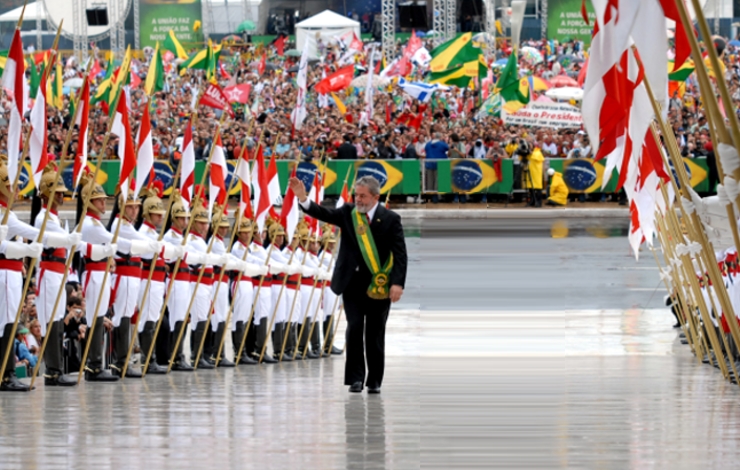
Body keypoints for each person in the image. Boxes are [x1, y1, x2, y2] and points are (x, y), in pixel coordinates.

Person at [289, 175, 408, 394]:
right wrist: (303, 198)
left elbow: (400, 254)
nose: (358, 199)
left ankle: (374, 381)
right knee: (354, 329)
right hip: (351, 284)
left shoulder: (391, 218)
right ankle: (355, 378)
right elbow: (323, 213)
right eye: (356, 195)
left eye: (363, 196)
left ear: (375, 197)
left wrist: (397, 283)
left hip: (379, 286)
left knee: (375, 333)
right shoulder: (348, 213)